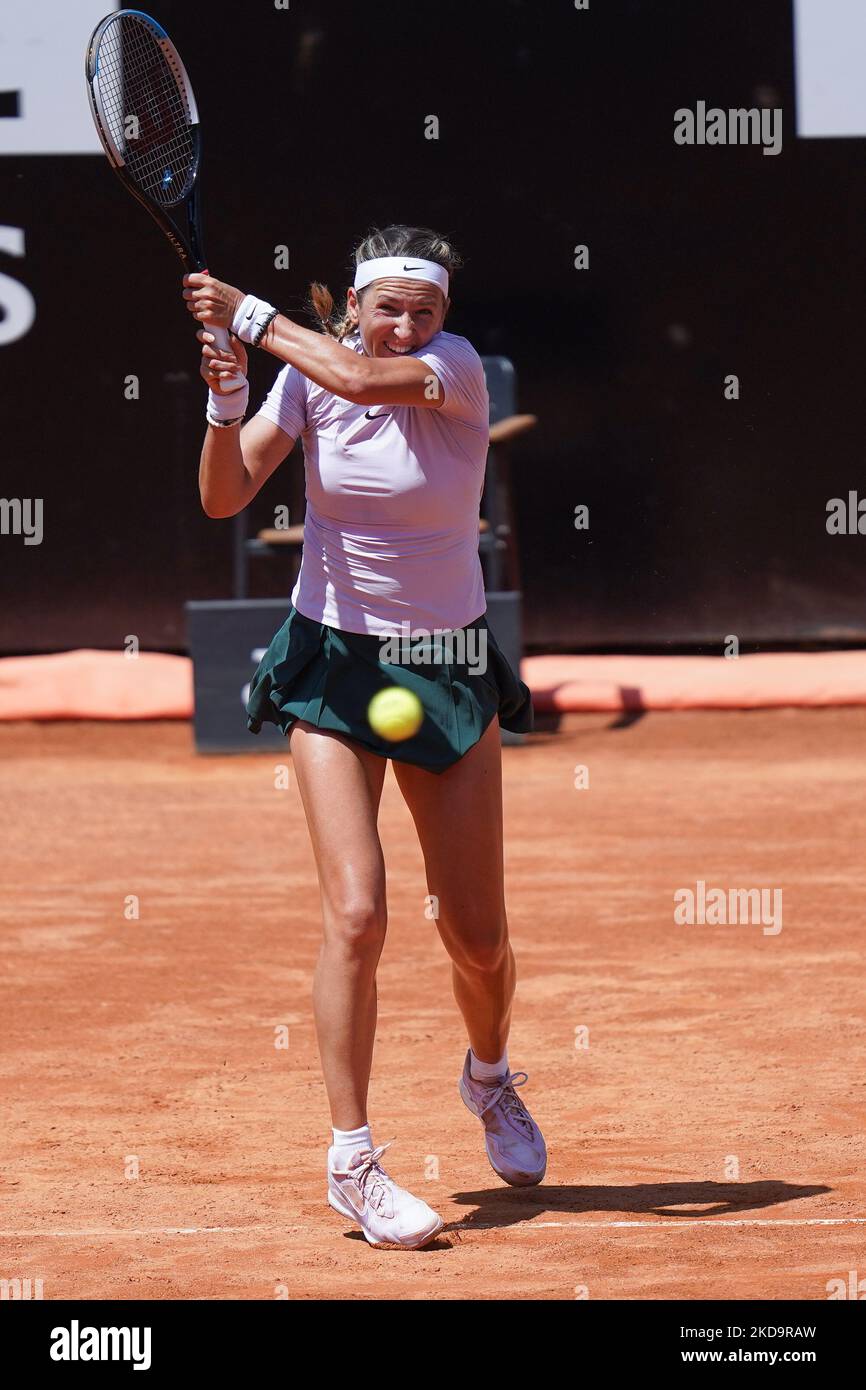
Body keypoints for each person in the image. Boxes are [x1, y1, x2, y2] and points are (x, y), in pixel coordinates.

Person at [182, 225, 546, 1250]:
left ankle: (487, 1078)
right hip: (333, 664)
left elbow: (346, 368)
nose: (406, 326)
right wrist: (224, 400)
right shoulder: (308, 381)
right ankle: (352, 1159)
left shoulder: (450, 373)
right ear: (355, 301)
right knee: (356, 912)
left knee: (476, 934)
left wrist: (247, 315)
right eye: (388, 308)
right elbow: (223, 495)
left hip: (442, 668)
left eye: (423, 311)